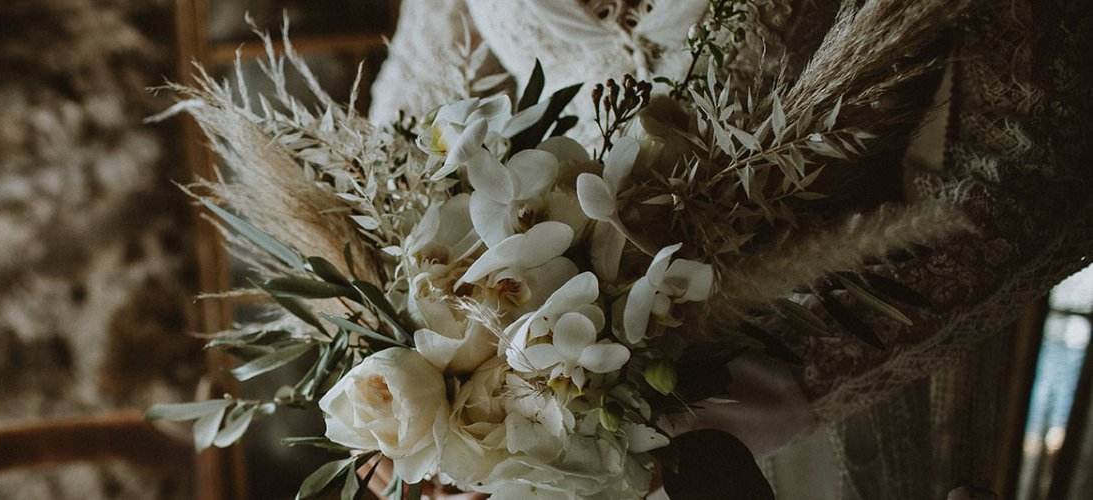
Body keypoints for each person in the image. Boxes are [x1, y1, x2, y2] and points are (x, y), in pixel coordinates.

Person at [366, 0, 1093, 498]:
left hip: (835, 373)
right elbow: (402, 137)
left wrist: (768, 388)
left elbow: (1025, 163)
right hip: (546, 405)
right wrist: (419, 370)